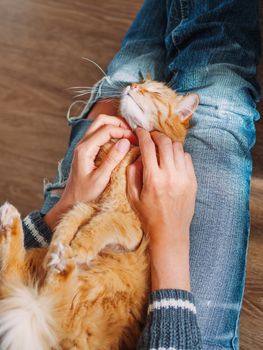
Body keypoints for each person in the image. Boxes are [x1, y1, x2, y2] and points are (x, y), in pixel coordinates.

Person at [22, 0, 261, 349]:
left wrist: (57, 213)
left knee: (122, 86)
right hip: (162, 330)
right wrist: (169, 240)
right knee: (216, 108)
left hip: (43, 288)